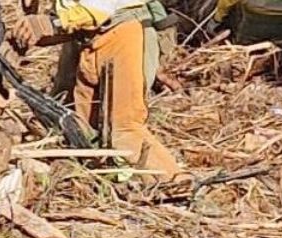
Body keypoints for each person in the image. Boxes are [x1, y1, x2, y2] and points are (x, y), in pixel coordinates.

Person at [13, 0, 181, 175]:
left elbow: (102, 7)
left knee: (125, 131)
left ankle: (176, 181)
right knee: (77, 122)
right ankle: (105, 177)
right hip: (85, 31)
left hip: (122, 29)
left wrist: (54, 23)